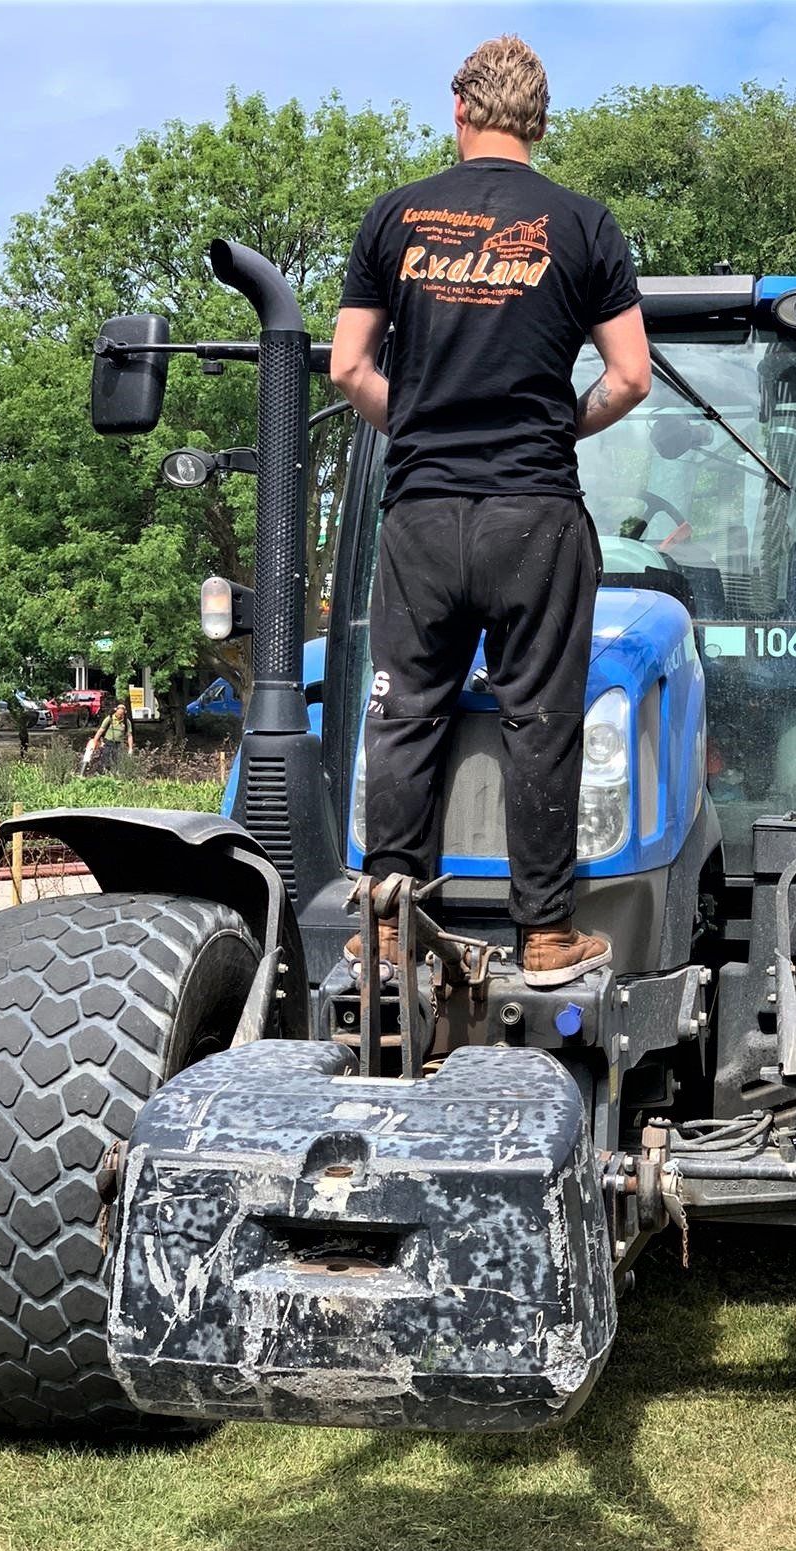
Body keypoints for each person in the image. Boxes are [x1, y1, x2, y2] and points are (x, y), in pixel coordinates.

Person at [331, 34, 651, 988]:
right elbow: (629, 376)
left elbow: (349, 367)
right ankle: (546, 935)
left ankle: (389, 929)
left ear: (459, 110)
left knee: (402, 711)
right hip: (533, 512)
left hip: (423, 513)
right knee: (542, 718)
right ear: (540, 124)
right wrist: (557, 428)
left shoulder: (393, 219)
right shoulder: (585, 225)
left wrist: (424, 421)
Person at [84, 701, 133, 773]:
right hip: (108, 742)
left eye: (121, 714)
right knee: (105, 759)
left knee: (117, 760)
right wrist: (94, 741)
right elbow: (101, 730)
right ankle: (103, 774)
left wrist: (130, 748)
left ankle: (115, 774)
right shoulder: (109, 719)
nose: (120, 716)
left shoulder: (126, 721)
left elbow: (129, 735)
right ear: (116, 711)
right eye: (119, 714)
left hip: (119, 744)